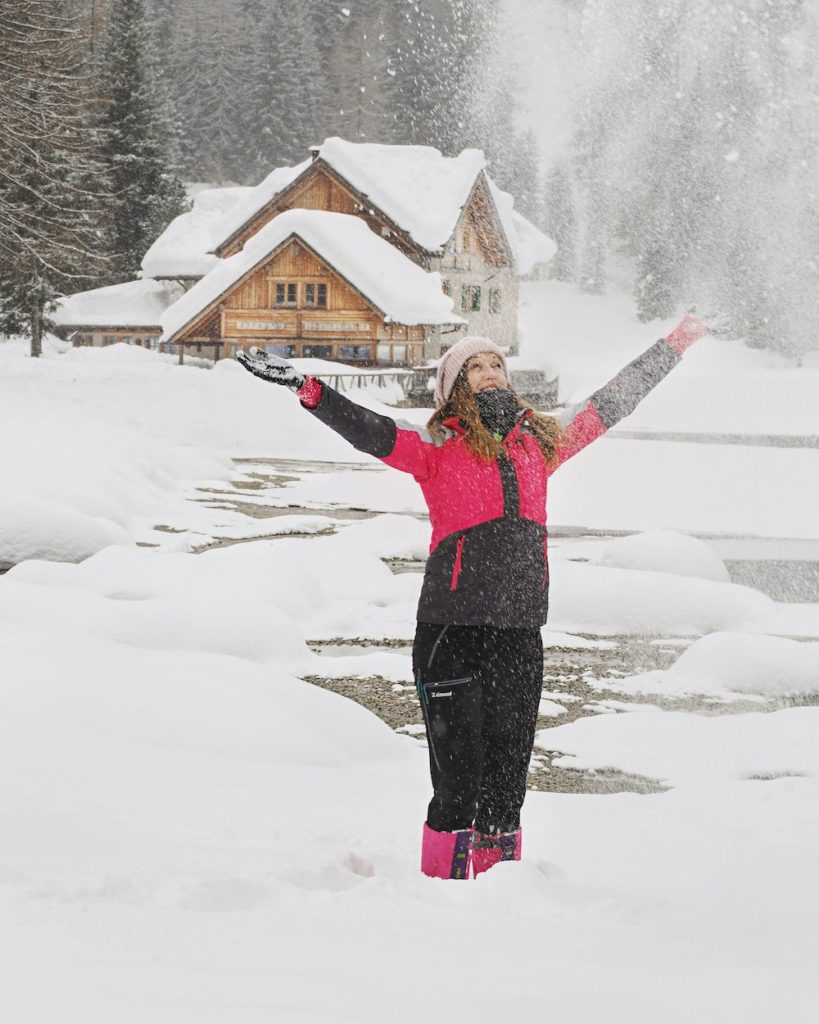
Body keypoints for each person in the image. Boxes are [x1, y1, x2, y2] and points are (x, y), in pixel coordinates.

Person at [237, 315, 708, 880]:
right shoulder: (437, 446)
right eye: (473, 366)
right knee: (458, 781)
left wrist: (679, 341)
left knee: (507, 782)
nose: (489, 372)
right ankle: (442, 897)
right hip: (451, 630)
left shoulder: (543, 443)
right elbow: (368, 429)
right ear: (453, 386)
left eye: (496, 364)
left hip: (519, 632)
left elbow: (613, 401)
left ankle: (500, 896)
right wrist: (305, 388)